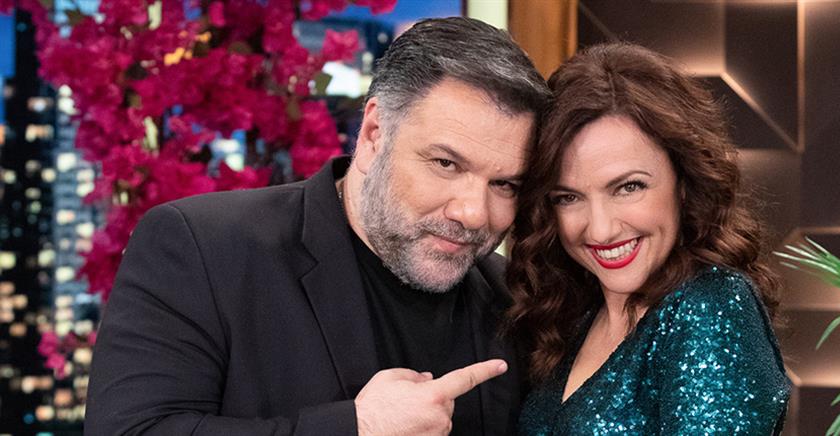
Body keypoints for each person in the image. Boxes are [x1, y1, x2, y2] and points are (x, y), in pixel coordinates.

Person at [85, 17, 549, 436]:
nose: (473, 213)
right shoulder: (201, 248)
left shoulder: (513, 295)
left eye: (504, 184)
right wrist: (358, 427)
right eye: (446, 164)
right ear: (374, 135)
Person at [505, 43, 791, 435]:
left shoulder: (711, 304)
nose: (600, 229)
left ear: (684, 182)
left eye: (628, 187)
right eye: (568, 197)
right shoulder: (577, 314)